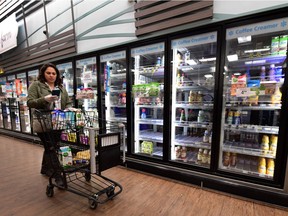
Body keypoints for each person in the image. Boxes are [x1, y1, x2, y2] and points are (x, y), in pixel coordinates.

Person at [27, 63, 72, 187]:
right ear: (43, 73)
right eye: (48, 73)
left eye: (54, 73)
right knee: (51, 147)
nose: (51, 75)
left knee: (52, 146)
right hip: (43, 122)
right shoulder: (36, 85)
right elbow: (30, 102)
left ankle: (45, 168)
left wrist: (69, 109)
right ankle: (58, 176)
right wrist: (45, 99)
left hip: (59, 121)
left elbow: (67, 102)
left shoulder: (61, 87)